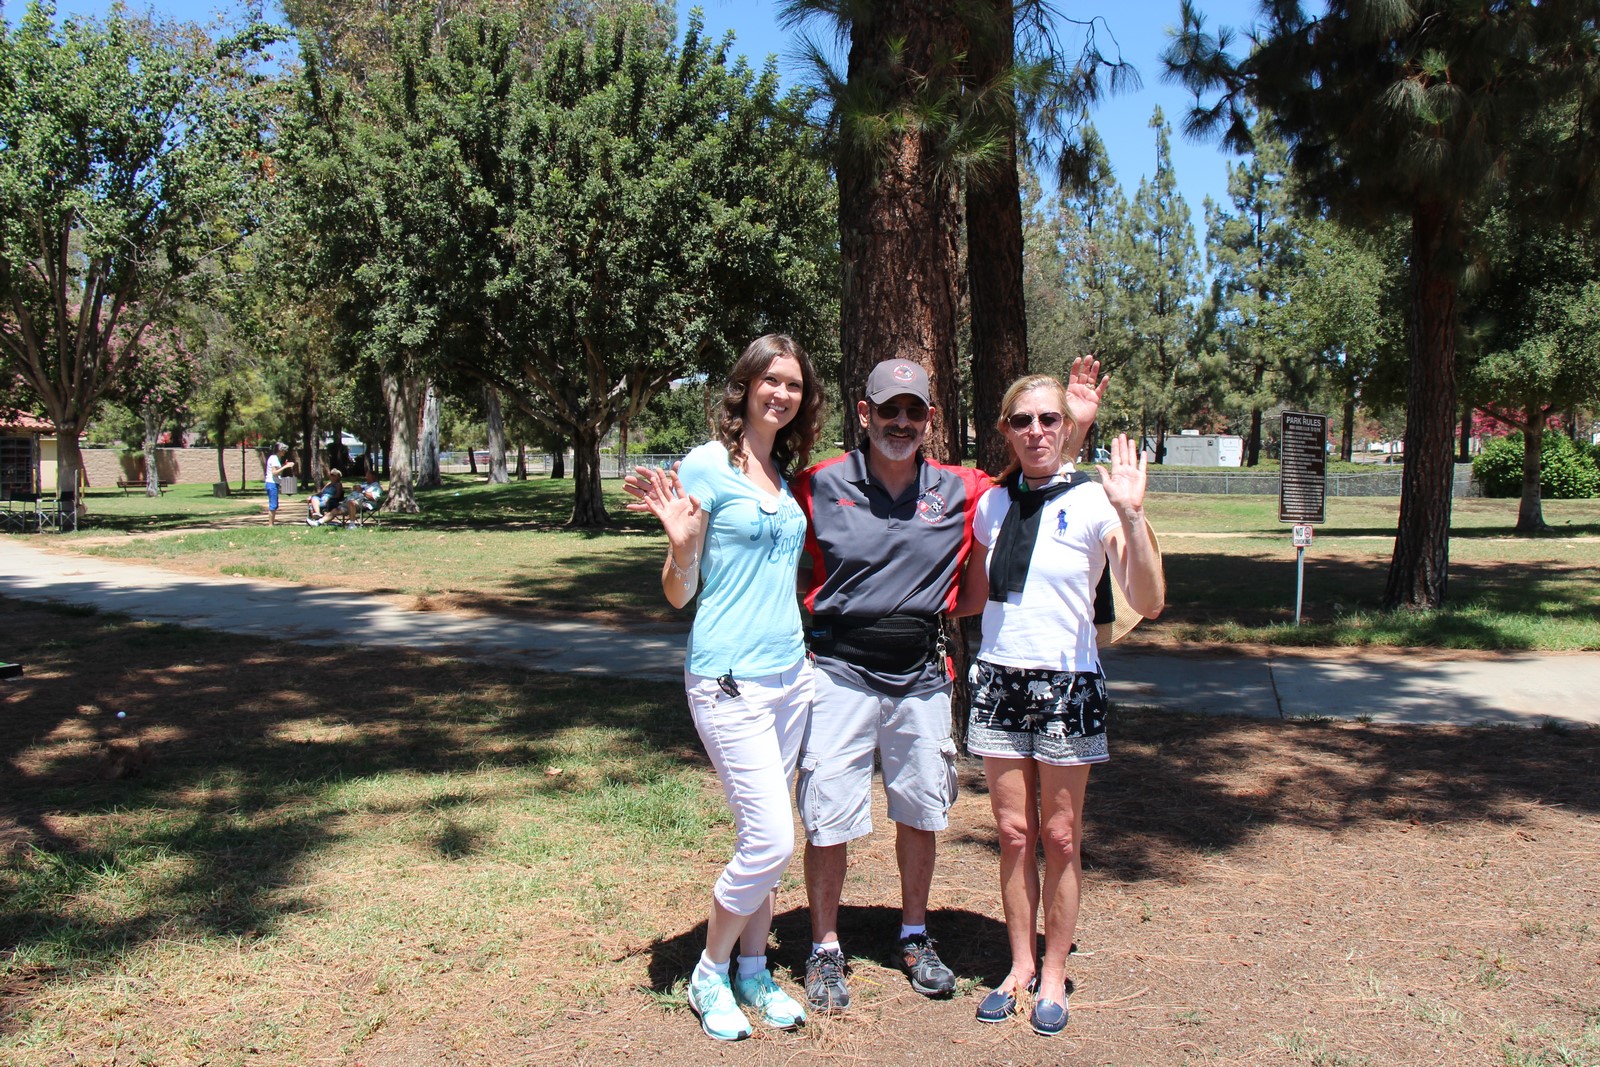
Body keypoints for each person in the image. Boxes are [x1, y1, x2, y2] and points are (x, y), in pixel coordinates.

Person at [790, 357, 1104, 1013]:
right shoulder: (816, 484)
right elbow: (780, 561)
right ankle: (824, 945)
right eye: (887, 409)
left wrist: (1074, 428)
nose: (899, 422)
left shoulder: (965, 489)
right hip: (839, 670)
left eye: (913, 410)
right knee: (826, 814)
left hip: (923, 675)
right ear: (864, 413)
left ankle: (913, 934)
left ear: (930, 418)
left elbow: (1036, 471)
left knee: (922, 808)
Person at [622, 334, 824, 1043]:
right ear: (744, 386)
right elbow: (680, 593)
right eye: (770, 379)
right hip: (727, 678)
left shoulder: (783, 470)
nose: (782, 392)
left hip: (790, 677)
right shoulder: (708, 465)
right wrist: (680, 548)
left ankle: (753, 969)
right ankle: (709, 970)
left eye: (793, 384)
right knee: (771, 839)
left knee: (762, 838)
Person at [953, 375, 1164, 1037]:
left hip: (1068, 685)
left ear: (1065, 426)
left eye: (1049, 418)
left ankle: (1053, 971)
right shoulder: (992, 505)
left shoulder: (1098, 499)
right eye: (1022, 420)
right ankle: (1018, 966)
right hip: (999, 683)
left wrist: (1133, 514)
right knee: (1014, 833)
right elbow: (971, 598)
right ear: (1006, 429)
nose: (1036, 430)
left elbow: (1149, 598)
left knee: (1061, 835)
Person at [264, 443, 296, 526]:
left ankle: (272, 523)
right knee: (273, 505)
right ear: (280, 450)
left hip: (274, 483)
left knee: (275, 504)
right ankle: (270, 525)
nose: (285, 452)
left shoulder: (276, 458)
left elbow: (277, 470)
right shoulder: (274, 458)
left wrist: (284, 465)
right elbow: (274, 472)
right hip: (272, 483)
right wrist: (286, 467)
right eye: (284, 450)